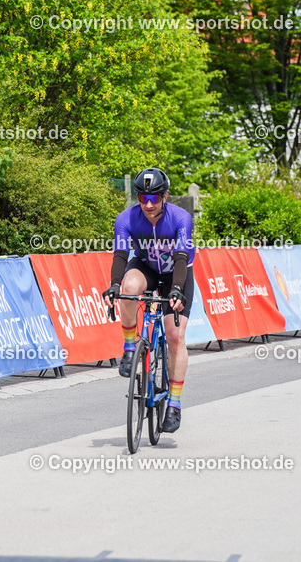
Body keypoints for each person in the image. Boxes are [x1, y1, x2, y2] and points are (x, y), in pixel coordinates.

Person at [101, 167, 193, 434]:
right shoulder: (126, 218)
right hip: (147, 268)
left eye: (154, 198)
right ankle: (130, 350)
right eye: (143, 198)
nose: (149, 205)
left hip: (178, 272)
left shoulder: (181, 218)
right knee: (128, 288)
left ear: (165, 197)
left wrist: (176, 289)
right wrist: (114, 285)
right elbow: (121, 253)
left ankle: (174, 404)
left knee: (175, 336)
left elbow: (181, 257)